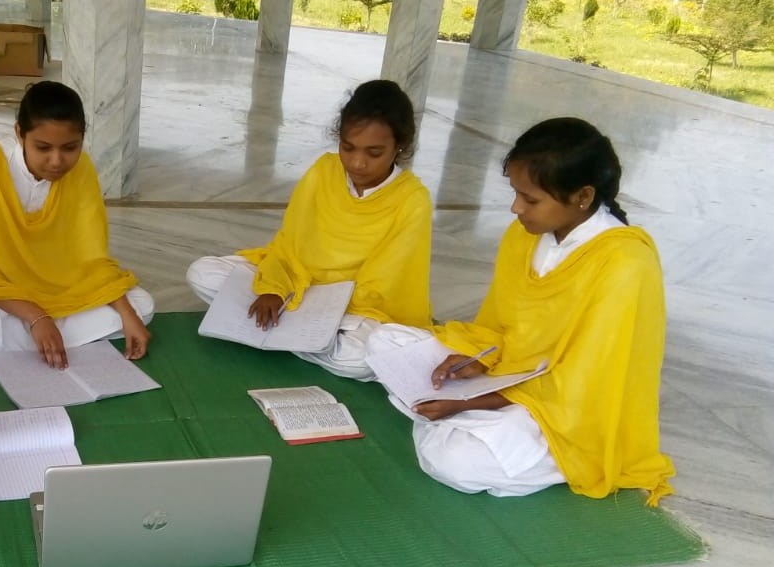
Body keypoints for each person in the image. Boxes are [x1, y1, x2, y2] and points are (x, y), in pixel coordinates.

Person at [367, 117, 675, 503]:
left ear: (582, 196)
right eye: (516, 193)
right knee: (383, 340)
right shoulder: (525, 234)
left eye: (530, 199)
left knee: (453, 461)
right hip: (506, 377)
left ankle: (467, 426)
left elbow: (580, 388)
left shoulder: (624, 264)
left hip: (567, 414)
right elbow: (500, 325)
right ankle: (463, 421)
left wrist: (470, 401)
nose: (516, 208)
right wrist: (476, 359)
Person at [0, 81, 154, 369]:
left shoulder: (81, 170)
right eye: (43, 147)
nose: (57, 161)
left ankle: (25, 338)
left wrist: (126, 313)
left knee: (142, 306)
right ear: (19, 133)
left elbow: (91, 259)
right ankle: (47, 334)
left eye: (70, 147)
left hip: (60, 291)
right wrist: (36, 317)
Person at [186, 79, 432, 379]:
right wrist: (275, 289)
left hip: (353, 306)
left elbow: (387, 281)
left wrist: (323, 312)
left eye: (374, 153)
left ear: (400, 146)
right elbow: (290, 242)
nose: (357, 162)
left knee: (358, 358)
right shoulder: (324, 170)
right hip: (297, 281)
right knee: (203, 273)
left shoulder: (413, 199)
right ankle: (301, 339)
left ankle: (283, 337)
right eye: (347, 147)